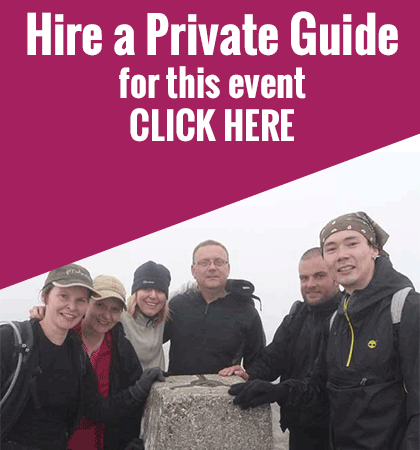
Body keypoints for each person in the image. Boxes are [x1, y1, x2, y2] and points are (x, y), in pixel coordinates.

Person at [229, 212, 419, 450]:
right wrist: (275, 389)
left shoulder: (407, 309)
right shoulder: (337, 319)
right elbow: (318, 387)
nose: (342, 255)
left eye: (352, 243)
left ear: (374, 249)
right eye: (331, 248)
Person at [1, 264, 164, 450]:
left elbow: (97, 410)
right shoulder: (12, 341)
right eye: (64, 296)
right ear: (45, 296)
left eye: (80, 300)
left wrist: (140, 388)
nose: (72, 306)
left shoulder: (76, 353)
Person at [220, 247, 341, 450]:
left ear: (336, 277)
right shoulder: (297, 315)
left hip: (335, 433)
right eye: (304, 278)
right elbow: (274, 357)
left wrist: (279, 391)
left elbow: (323, 385)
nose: (310, 284)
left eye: (319, 276)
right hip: (300, 427)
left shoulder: (347, 319)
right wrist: (248, 374)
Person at [164, 239, 266, 375]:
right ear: (193, 270)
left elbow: (260, 365)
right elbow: (150, 342)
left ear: (228, 268)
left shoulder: (247, 311)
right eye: (204, 262)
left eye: (219, 262)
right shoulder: (176, 305)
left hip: (226, 393)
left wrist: (247, 374)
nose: (212, 267)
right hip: (176, 393)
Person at [119, 261, 171, 370]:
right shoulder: (118, 318)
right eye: (146, 289)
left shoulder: (165, 320)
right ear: (136, 292)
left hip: (158, 385)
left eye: (159, 290)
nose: (153, 295)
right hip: (128, 386)